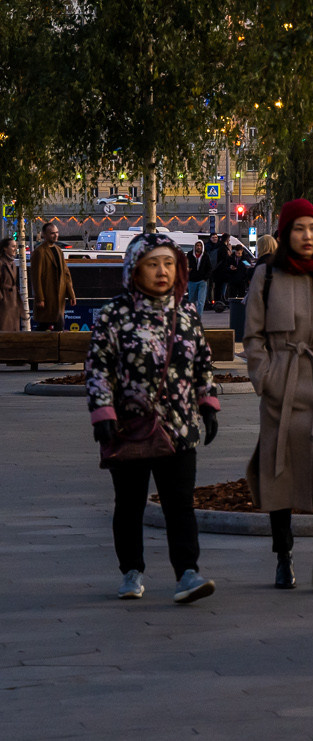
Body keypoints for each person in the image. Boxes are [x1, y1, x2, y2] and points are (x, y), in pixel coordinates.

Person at [86, 231, 220, 604]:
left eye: (168, 264)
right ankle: (131, 571)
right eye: (152, 264)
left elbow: (202, 361)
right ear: (134, 269)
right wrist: (102, 412)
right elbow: (98, 367)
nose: (162, 271)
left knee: (180, 504)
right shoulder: (115, 314)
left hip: (179, 427)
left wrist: (207, 403)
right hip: (129, 426)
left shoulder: (186, 312)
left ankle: (188, 573)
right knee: (129, 503)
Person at [244, 198, 313, 592]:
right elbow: (253, 336)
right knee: (280, 476)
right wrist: (266, 378)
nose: (307, 236)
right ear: (285, 233)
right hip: (282, 388)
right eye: (298, 228)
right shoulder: (266, 276)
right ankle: (283, 556)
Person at [31, 221, 74, 331]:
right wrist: (40, 298)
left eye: (57, 232)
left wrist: (71, 294)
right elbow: (36, 277)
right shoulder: (39, 252)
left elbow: (66, 274)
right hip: (47, 297)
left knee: (57, 325)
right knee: (44, 326)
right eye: (52, 233)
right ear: (44, 235)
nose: (56, 235)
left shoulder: (58, 250)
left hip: (59, 297)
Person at [0, 237, 21, 333]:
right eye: (13, 246)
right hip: (4, 303)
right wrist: (2, 299)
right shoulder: (1, 263)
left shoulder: (12, 263)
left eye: (16, 246)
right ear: (5, 248)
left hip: (13, 303)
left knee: (13, 331)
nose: (15, 249)